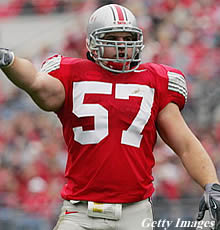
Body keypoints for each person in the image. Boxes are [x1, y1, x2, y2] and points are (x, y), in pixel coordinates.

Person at [0, 3, 220, 230]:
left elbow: (185, 143)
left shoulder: (155, 80)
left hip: (135, 213)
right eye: (113, 37)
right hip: (80, 212)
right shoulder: (71, 73)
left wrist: (211, 184)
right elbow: (36, 82)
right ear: (92, 42)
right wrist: (8, 60)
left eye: (127, 38)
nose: (121, 45)